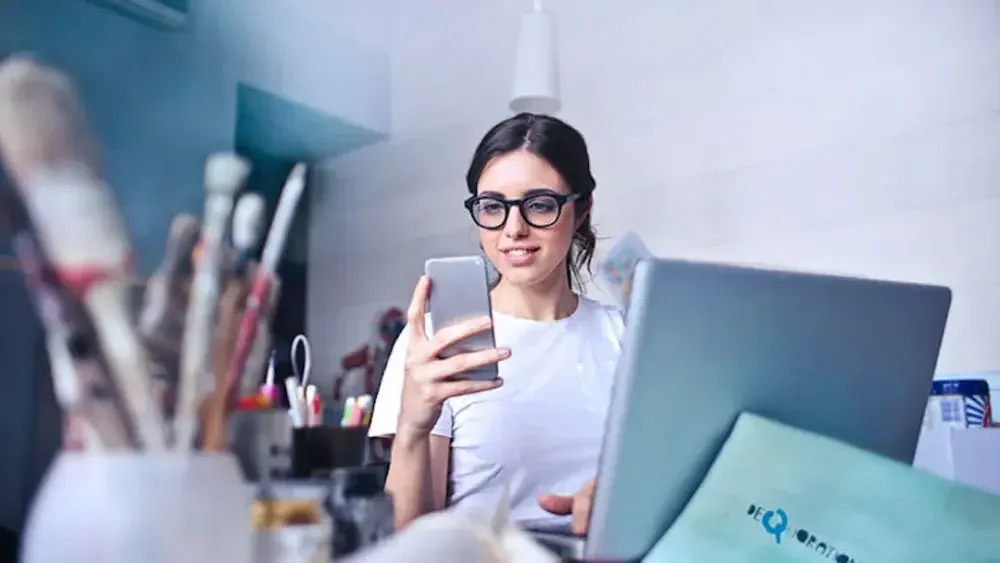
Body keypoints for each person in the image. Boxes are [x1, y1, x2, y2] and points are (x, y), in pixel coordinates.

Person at [368, 113, 624, 535]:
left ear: (581, 211)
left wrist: (621, 501)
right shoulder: (438, 343)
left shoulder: (626, 336)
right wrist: (413, 428)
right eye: (493, 207)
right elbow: (409, 541)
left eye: (540, 204)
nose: (513, 229)